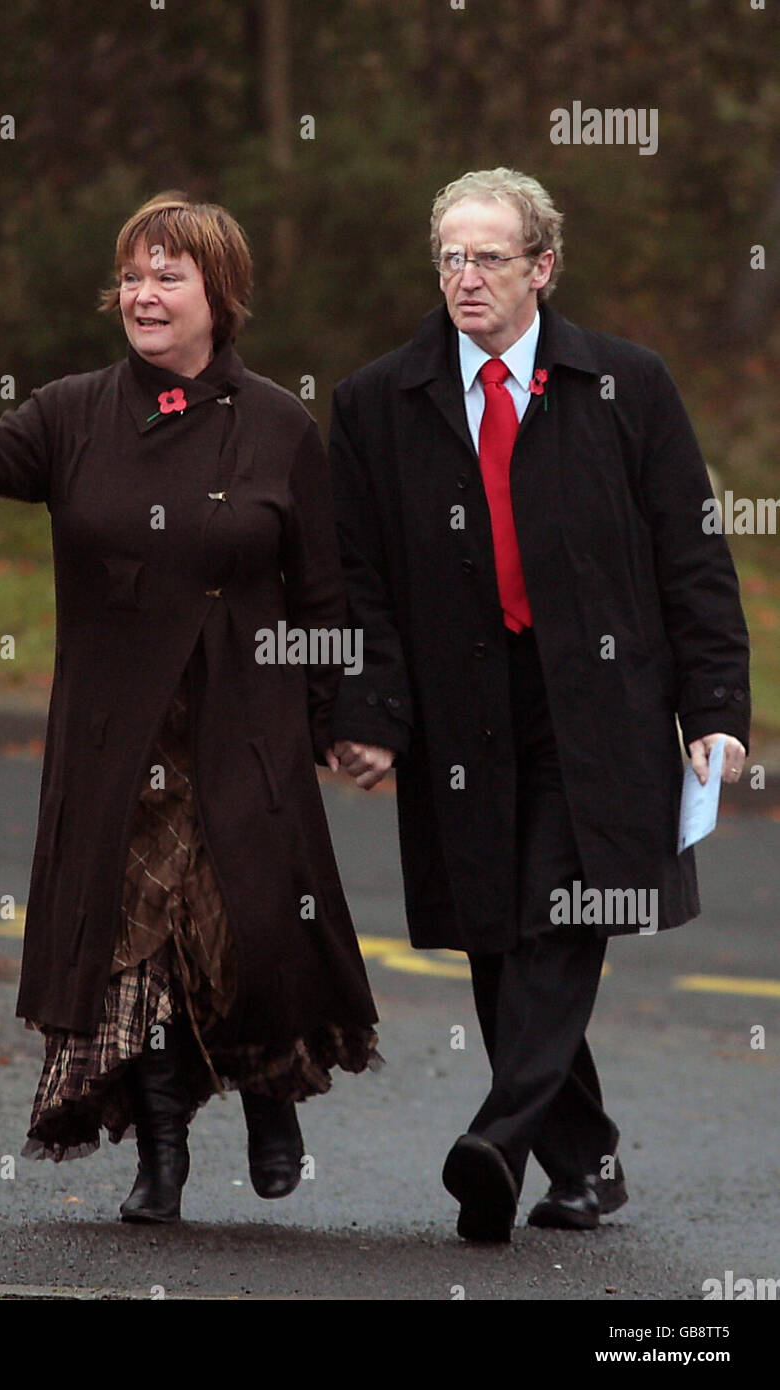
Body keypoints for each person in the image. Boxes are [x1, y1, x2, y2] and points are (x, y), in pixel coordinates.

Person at [0, 190, 381, 1224]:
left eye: (168, 274)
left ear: (220, 294)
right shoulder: (76, 409)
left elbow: (322, 592)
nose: (144, 292)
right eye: (132, 275)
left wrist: (342, 717)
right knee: (142, 951)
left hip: (244, 723)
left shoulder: (277, 422)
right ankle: (160, 1152)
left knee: (253, 930)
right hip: (117, 738)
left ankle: (270, 1095)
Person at [327, 167, 750, 1241]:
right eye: (451, 259)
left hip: (597, 704)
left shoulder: (627, 383)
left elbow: (691, 555)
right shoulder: (381, 401)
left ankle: (497, 1140)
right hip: (462, 707)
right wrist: (370, 712)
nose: (466, 279)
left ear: (543, 267)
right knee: (497, 931)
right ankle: (586, 1159)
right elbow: (361, 578)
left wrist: (716, 707)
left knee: (566, 913)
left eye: (491, 258)